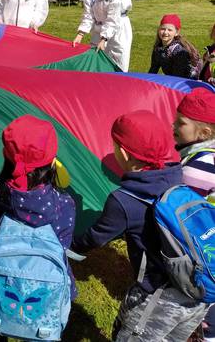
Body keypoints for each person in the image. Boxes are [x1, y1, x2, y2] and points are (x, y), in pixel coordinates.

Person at [72, 110, 208, 341]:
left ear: (124, 153)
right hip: (199, 293)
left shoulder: (124, 200)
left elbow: (96, 236)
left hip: (158, 298)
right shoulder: (178, 177)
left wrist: (71, 245)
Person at [0, 115, 77, 294]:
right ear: (53, 162)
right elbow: (63, 244)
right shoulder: (65, 204)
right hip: (48, 287)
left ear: (5, 156)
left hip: (1, 284)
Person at [173, 88, 215, 341]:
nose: (173, 126)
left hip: (207, 248)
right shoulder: (203, 156)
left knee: (208, 316)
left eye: (180, 123)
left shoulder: (199, 167)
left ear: (204, 133)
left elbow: (181, 207)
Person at [148, 14, 201, 79]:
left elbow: (177, 77)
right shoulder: (158, 48)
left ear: (176, 32)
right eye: (163, 29)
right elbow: (153, 70)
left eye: (169, 30)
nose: (165, 32)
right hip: (172, 79)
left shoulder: (179, 51)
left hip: (187, 81)